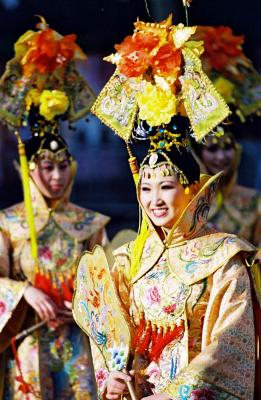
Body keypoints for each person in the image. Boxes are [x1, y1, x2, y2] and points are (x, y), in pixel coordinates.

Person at [0, 19, 108, 399]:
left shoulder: (89, 222)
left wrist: (80, 304)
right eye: (47, 166)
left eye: (63, 165)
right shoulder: (8, 223)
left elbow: (107, 288)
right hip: (27, 345)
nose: (57, 176)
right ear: (30, 169)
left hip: (77, 344)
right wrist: (24, 293)